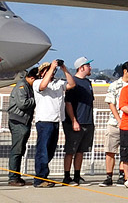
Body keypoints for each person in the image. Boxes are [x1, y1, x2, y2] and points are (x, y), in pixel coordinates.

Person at [31, 58, 75, 187]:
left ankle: (44, 175)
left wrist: (64, 69)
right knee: (42, 150)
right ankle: (39, 178)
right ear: (41, 73)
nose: (52, 72)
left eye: (53, 71)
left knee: (50, 150)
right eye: (48, 70)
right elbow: (43, 86)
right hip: (44, 120)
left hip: (56, 120)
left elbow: (71, 84)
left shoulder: (58, 83)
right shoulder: (37, 82)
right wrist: (50, 68)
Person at [62, 58, 95, 185]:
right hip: (75, 123)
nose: (90, 68)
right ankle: (66, 176)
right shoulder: (73, 82)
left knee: (81, 150)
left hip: (88, 121)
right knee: (71, 150)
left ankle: (77, 175)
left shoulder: (87, 82)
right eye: (88, 66)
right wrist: (74, 121)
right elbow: (68, 103)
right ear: (81, 67)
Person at [7, 66, 38, 185]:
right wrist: (36, 99)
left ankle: (16, 175)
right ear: (31, 77)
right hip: (18, 121)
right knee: (17, 150)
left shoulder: (27, 86)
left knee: (20, 150)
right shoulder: (22, 86)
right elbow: (22, 104)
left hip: (24, 121)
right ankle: (13, 177)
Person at [101, 64, 128, 186]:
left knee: (125, 151)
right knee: (110, 150)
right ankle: (109, 176)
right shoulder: (115, 85)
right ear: (125, 71)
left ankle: (122, 175)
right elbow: (111, 103)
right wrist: (119, 120)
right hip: (114, 123)